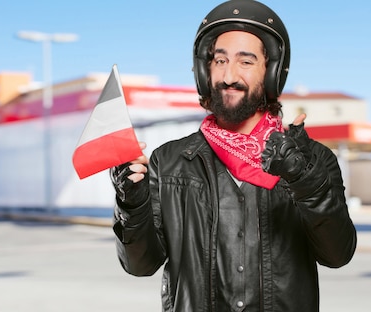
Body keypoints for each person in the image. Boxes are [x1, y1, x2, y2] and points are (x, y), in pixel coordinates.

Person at [110, 1, 357, 311]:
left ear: (271, 71)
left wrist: (308, 183)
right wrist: (132, 204)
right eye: (220, 60)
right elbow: (140, 265)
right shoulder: (167, 161)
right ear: (204, 69)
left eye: (246, 61)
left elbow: (338, 255)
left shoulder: (312, 160)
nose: (229, 75)